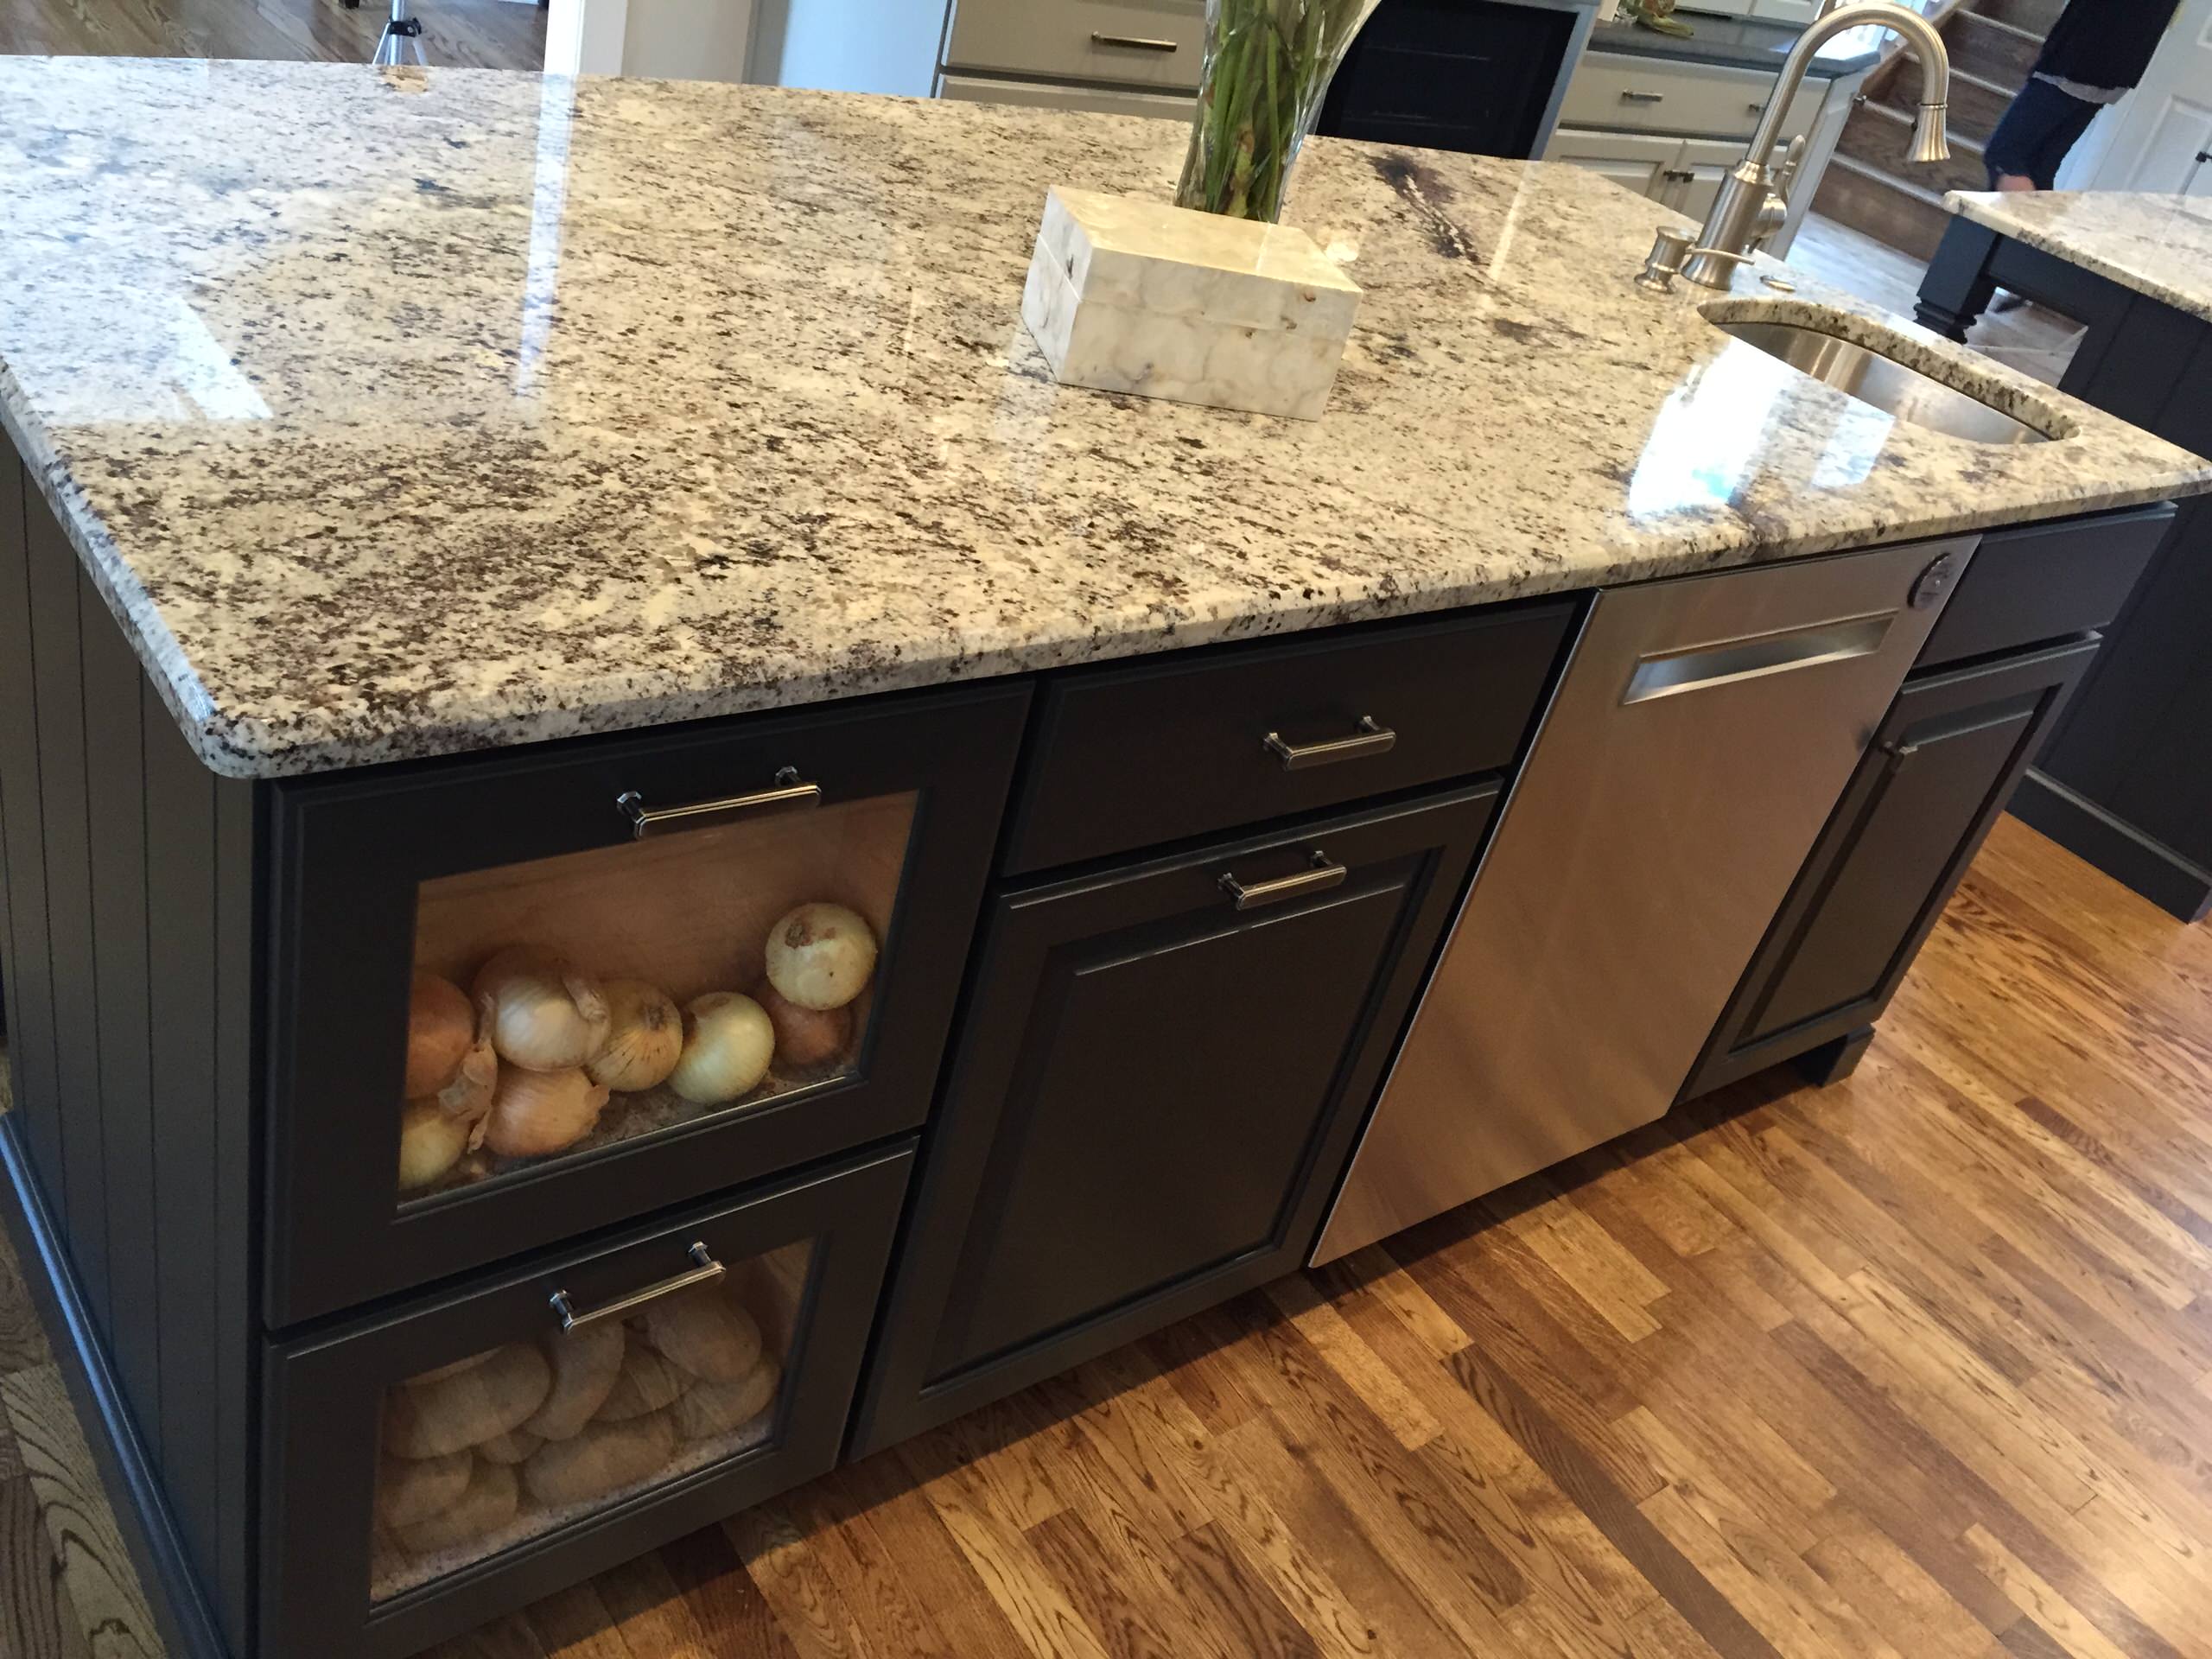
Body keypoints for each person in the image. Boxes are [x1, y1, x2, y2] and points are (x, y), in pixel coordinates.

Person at [1982, 0, 2177, 191]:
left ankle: (2016, 223)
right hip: (2120, 64)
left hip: (2080, 56)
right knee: (2040, 166)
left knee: (2004, 156)